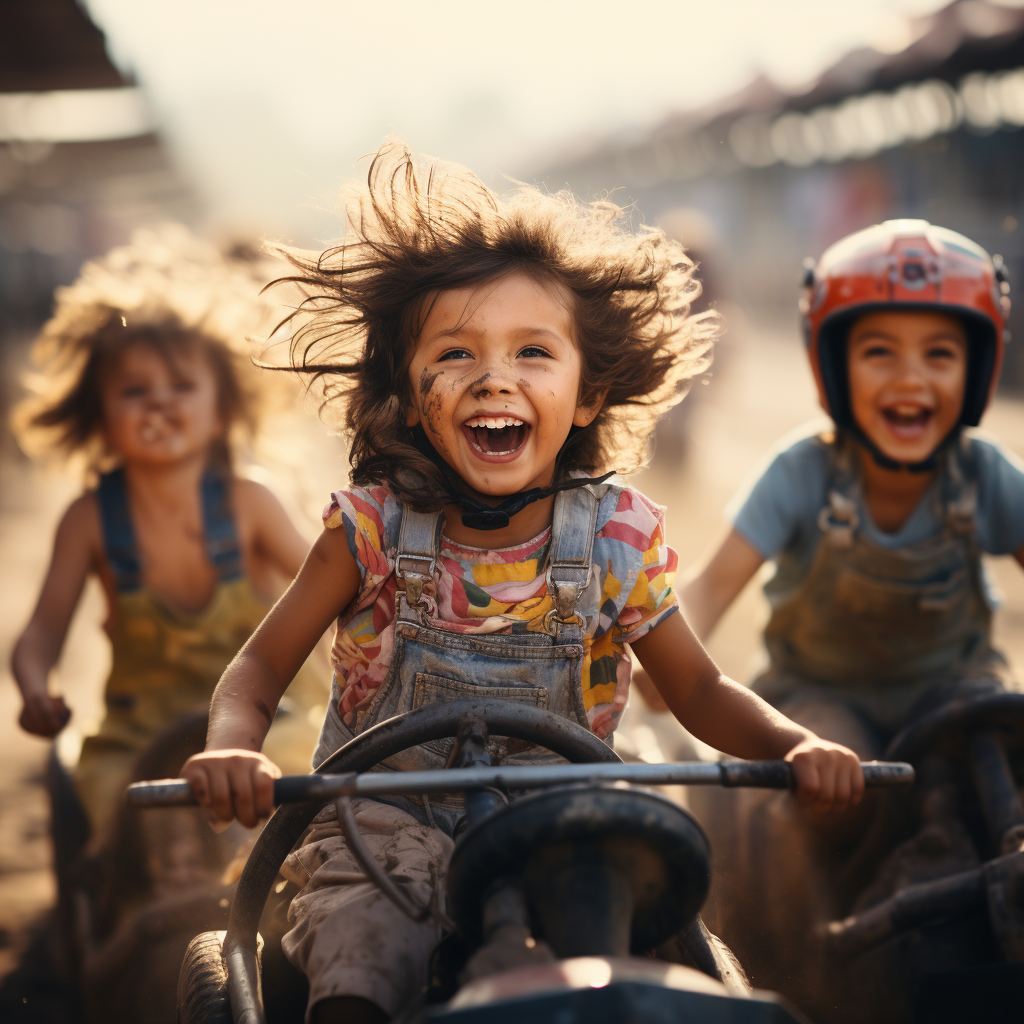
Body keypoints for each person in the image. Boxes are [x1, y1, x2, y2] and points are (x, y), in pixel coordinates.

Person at [180, 143, 863, 1024]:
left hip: (571, 822)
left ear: (586, 397)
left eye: (533, 351)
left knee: (650, 973)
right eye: (456, 353)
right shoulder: (368, 533)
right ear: (408, 389)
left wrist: (793, 748)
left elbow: (698, 686)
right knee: (364, 957)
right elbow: (257, 670)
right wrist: (235, 744)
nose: (494, 376)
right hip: (382, 826)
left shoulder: (619, 540)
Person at [679, 219, 1024, 1009]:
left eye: (940, 353)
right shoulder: (803, 472)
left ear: (978, 368)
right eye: (879, 352)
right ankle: (800, 980)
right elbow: (709, 586)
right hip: (819, 694)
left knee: (993, 764)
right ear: (831, 364)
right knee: (822, 789)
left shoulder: (985, 475)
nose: (912, 378)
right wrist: (658, 659)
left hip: (955, 696)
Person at [10, 225, 328, 842]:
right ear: (100, 416)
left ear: (223, 410)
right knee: (114, 807)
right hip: (141, 735)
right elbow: (42, 631)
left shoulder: (249, 502)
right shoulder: (90, 519)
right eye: (134, 391)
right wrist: (34, 687)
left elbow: (338, 596)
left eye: (181, 387)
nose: (159, 405)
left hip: (268, 723)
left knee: (298, 783)